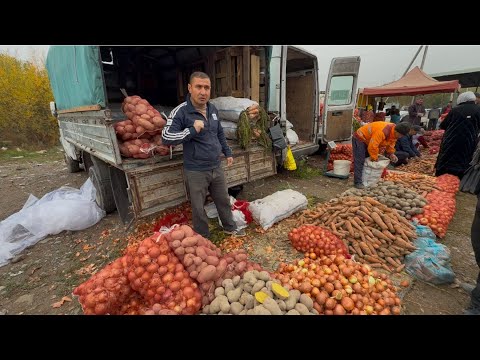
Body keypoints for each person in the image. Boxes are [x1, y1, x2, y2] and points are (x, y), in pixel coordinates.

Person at [161, 71, 245, 238]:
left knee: (223, 200)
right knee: (198, 207)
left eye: (206, 87)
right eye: (198, 87)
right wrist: (192, 130)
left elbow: (219, 132)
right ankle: (203, 237)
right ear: (190, 88)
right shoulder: (181, 112)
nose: (203, 92)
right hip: (196, 169)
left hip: (216, 165)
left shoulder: (212, 108)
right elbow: (166, 137)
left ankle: (230, 227)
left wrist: (227, 152)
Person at [352, 121, 412, 188]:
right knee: (360, 160)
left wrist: (391, 153)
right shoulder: (382, 131)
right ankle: (358, 182)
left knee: (367, 159)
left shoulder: (394, 134)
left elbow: (391, 144)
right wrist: (374, 158)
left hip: (369, 140)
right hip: (360, 137)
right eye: (400, 135)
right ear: (396, 131)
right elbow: (373, 147)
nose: (401, 137)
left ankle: (365, 180)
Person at [435, 91, 480, 179]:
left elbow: (443, 125)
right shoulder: (478, 110)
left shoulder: (455, 109)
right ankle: (458, 177)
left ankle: (442, 175)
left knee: (447, 156)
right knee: (464, 157)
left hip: (451, 139)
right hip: (468, 140)